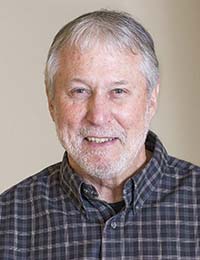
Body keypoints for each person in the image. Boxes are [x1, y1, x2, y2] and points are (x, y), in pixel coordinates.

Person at [0, 10, 200, 260]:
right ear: (51, 102)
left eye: (118, 91)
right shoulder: (7, 220)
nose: (98, 115)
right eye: (80, 91)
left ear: (151, 99)